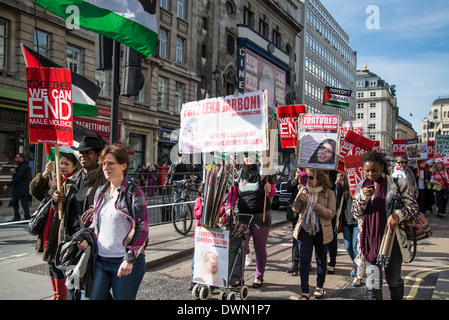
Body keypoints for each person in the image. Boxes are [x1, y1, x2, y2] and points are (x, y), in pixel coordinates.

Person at [77, 144, 149, 300]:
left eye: (111, 163)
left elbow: (142, 228)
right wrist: (86, 239)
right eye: (103, 163)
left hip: (125, 261)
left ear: (123, 165)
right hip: (101, 261)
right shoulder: (100, 192)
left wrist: (130, 258)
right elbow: (96, 225)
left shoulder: (133, 192)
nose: (106, 167)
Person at [352, 150, 418, 300]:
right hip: (369, 241)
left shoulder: (396, 183)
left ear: (382, 167)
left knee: (394, 280)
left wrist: (397, 215)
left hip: (392, 239)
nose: (370, 174)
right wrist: (363, 197)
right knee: (373, 283)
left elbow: (413, 206)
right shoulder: (361, 186)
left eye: (374, 170)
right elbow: (355, 213)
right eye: (367, 171)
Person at [29, 154, 80, 300]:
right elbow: (35, 192)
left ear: (74, 166)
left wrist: (53, 189)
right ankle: (57, 295)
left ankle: (60, 296)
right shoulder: (56, 181)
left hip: (62, 237)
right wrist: (45, 175)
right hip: (48, 235)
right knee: (52, 267)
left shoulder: (73, 182)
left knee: (61, 271)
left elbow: (64, 204)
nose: (62, 166)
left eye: (66, 164)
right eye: (60, 163)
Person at [227, 153, 275, 288]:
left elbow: (272, 192)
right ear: (243, 158)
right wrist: (229, 208)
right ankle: (238, 277)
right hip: (243, 218)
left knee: (260, 248)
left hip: (261, 217)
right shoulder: (239, 174)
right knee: (241, 247)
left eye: (251, 156)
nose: (249, 159)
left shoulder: (263, 173)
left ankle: (259, 276)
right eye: (246, 156)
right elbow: (232, 194)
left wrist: (269, 190)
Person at [291, 168, 336, 300]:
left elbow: (331, 213)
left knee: (321, 258)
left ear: (319, 179)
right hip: (305, 228)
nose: (307, 180)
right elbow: (295, 209)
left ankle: (320, 286)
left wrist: (317, 208)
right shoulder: (303, 190)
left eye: (311, 178)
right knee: (304, 258)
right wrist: (300, 200)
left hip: (321, 230)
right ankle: (305, 291)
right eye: (306, 178)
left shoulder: (329, 194)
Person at [57, 136, 107, 242]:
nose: (83, 156)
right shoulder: (70, 181)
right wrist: (56, 200)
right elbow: (61, 210)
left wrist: (95, 208)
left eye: (88, 153)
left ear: (98, 156)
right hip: (70, 237)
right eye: (81, 153)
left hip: (93, 239)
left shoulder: (105, 180)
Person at [335, 172, 361, 287]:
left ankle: (358, 274)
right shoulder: (342, 187)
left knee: (355, 247)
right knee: (348, 246)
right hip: (346, 221)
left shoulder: (359, 187)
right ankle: (356, 264)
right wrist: (338, 186)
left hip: (356, 221)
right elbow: (336, 200)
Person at [285, 167, 307, 274]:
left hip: (307, 210)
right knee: (296, 236)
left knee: (306, 237)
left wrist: (304, 187)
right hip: (296, 210)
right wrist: (295, 179)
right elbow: (288, 188)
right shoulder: (294, 171)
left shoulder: (310, 171)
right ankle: (295, 262)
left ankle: (305, 261)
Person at [3, 153, 32, 221]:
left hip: (21, 187)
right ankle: (25, 216)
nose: (16, 159)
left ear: (21, 158)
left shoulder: (23, 166)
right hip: (22, 187)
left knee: (17, 201)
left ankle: (21, 216)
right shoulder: (23, 166)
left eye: (17, 157)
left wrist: (8, 185)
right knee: (19, 201)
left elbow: (18, 177)